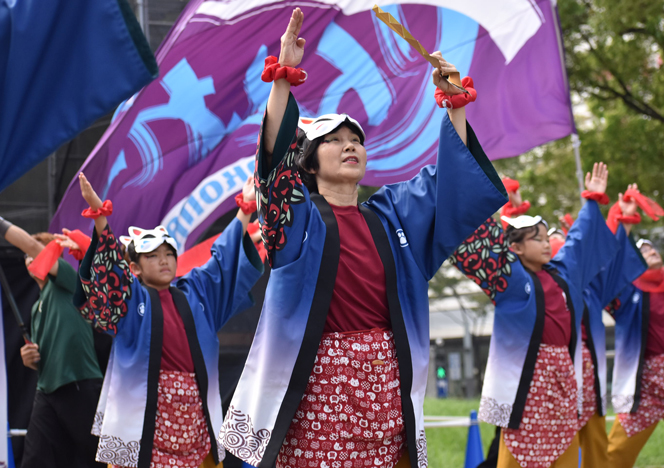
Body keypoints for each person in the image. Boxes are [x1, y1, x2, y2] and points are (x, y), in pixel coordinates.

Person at [217, 7, 507, 468]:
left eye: (357, 139)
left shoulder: (392, 214)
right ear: (309, 164)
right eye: (335, 140)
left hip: (386, 384)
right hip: (316, 386)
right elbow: (273, 171)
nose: (351, 144)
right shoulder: (297, 220)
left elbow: (451, 186)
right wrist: (283, 81)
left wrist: (453, 105)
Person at [74, 173, 263, 468]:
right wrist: (100, 217)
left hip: (195, 414)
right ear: (134, 267)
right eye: (153, 256)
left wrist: (246, 208)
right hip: (146, 411)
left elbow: (223, 261)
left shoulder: (196, 291)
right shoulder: (130, 298)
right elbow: (111, 271)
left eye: (168, 253)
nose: (164, 260)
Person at [450, 163, 618, 468]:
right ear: (515, 247)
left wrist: (592, 200)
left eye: (545, 238)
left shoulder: (563, 274)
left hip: (562, 385)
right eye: (536, 238)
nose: (545, 243)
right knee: (514, 455)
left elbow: (579, 243)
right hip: (524, 387)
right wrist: (482, 194)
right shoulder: (510, 277)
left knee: (565, 449)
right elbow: (480, 238)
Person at [0, 217, 104, 468]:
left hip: (79, 383)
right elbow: (42, 357)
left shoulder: (68, 281)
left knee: (95, 458)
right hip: (46, 391)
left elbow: (35, 249)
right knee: (36, 459)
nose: (30, 256)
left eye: (35, 252)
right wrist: (30, 358)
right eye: (26, 255)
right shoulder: (37, 307)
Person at [607, 230, 664, 467]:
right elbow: (611, 268)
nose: (650, 250)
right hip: (645, 391)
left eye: (651, 246)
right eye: (642, 250)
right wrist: (624, 227)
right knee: (614, 456)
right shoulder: (627, 294)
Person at [574, 186, 648, 468]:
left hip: (591, 388)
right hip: (552, 391)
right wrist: (510, 212)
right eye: (546, 240)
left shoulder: (590, 290)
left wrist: (623, 221)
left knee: (598, 453)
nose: (549, 243)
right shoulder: (531, 286)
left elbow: (609, 261)